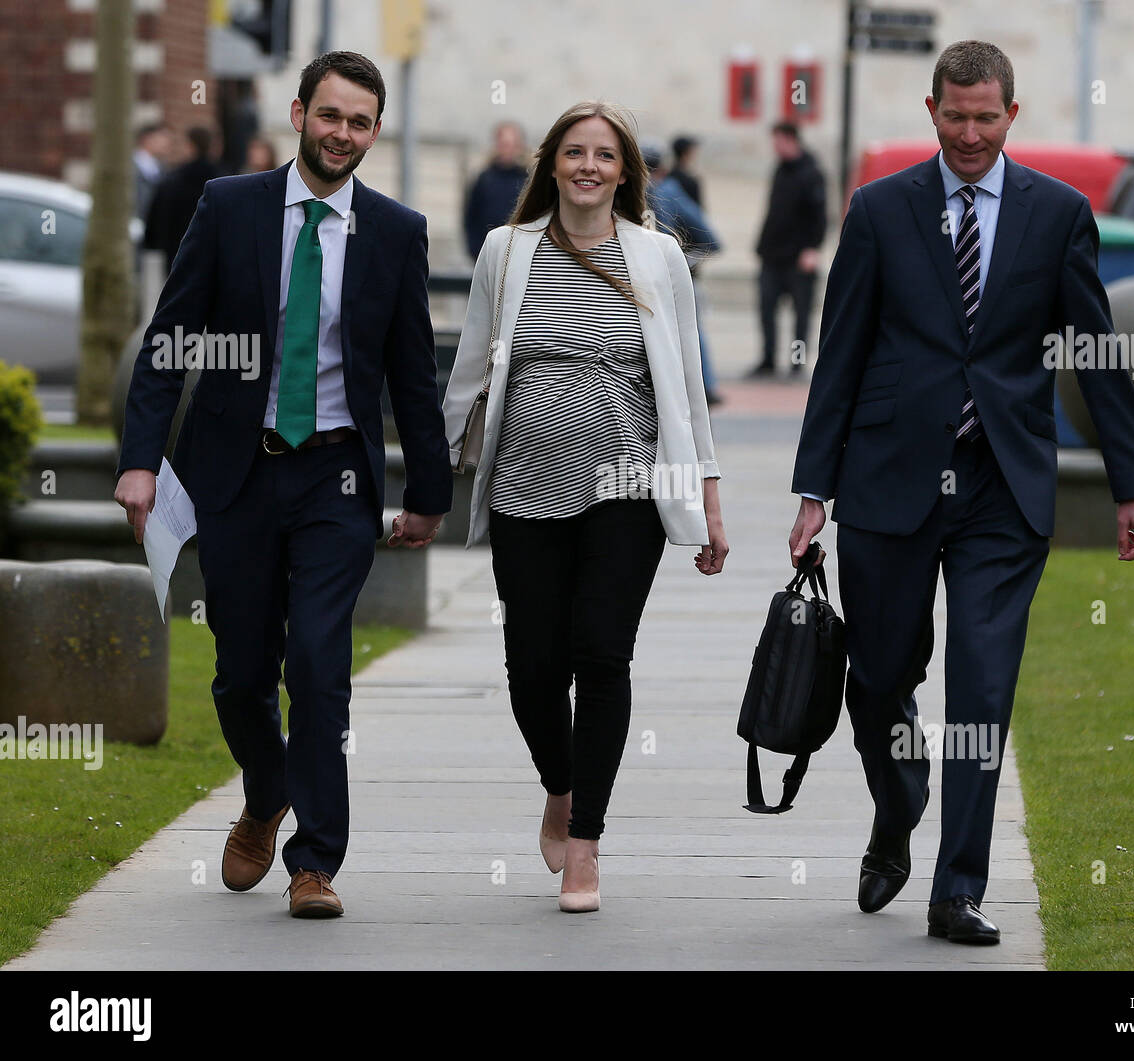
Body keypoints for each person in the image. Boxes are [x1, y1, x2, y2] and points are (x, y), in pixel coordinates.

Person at [788, 40, 1134, 945]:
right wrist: (813, 491)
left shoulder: (1059, 214)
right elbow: (838, 355)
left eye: (985, 117)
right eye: (954, 116)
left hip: (1004, 483)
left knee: (982, 691)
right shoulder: (878, 211)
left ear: (1011, 115)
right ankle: (900, 797)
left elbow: (1095, 353)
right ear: (932, 110)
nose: (969, 133)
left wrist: (1132, 484)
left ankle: (957, 886)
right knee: (876, 682)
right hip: (888, 479)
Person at [115, 51, 452, 920]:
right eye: (330, 115)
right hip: (234, 472)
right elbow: (169, 340)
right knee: (238, 672)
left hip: (335, 476)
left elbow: (415, 372)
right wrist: (140, 460)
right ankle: (267, 792)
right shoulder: (231, 207)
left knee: (319, 662)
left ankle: (315, 860)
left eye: (361, 121)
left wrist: (429, 491)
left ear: (375, 132)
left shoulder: (395, 230)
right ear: (299, 114)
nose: (344, 134)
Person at [441, 100, 728, 913]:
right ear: (552, 165)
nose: (589, 166)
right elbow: (468, 372)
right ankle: (560, 788)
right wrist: (434, 479)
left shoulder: (659, 256)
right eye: (575, 152)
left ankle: (586, 846)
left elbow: (685, 393)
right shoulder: (507, 251)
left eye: (605, 154)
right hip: (525, 486)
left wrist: (708, 496)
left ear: (626, 172)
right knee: (533, 668)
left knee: (601, 655)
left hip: (627, 488)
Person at [644, 138, 723, 404]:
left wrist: (679, 261)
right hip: (661, 279)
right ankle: (703, 388)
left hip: (662, 281)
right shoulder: (668, 188)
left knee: (688, 331)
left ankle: (704, 388)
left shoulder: (665, 191)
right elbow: (711, 239)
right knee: (689, 332)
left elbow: (711, 240)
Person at [752, 120, 826, 378]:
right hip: (772, 254)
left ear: (790, 140)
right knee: (766, 309)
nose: (775, 147)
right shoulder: (780, 169)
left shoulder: (812, 172)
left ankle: (797, 362)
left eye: (778, 142)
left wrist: (812, 249)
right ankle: (768, 360)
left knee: (801, 313)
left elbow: (820, 215)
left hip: (798, 257)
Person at [144, 126, 221, 270]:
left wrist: (154, 242)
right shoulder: (224, 177)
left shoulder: (174, 179)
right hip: (215, 252)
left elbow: (158, 217)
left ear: (190, 145)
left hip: (177, 251)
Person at [462, 120, 529, 259]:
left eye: (512, 145)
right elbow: (471, 217)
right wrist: (475, 250)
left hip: (519, 253)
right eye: (504, 145)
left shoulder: (527, 179)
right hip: (487, 252)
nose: (507, 150)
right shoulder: (484, 179)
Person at [133, 122, 174, 222]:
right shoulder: (130, 167)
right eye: (162, 138)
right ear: (147, 139)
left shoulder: (163, 169)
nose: (167, 143)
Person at [668, 135, 704, 210]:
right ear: (685, 154)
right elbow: (697, 214)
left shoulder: (666, 176)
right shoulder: (691, 182)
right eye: (692, 151)